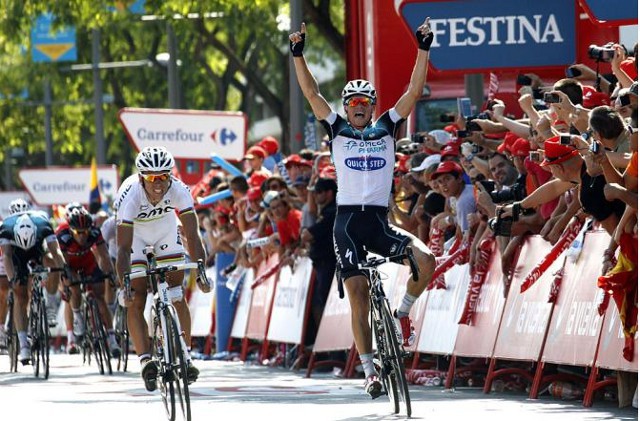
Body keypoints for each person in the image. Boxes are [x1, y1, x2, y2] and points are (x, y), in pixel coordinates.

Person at [289, 18, 436, 399]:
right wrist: (298, 55)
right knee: (357, 293)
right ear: (345, 108)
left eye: (364, 103)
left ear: (372, 107)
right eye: (352, 103)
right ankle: (369, 371)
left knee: (427, 260)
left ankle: (400, 315)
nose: (358, 107)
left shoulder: (386, 126)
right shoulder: (336, 129)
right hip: (348, 222)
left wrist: (423, 49)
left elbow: (414, 91)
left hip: (379, 221)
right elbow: (311, 93)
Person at [115, 146, 210, 391]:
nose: (158, 184)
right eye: (151, 178)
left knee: (177, 295)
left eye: (164, 177)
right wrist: (123, 283)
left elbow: (192, 234)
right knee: (136, 298)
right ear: (140, 178)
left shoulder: (179, 190)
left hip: (165, 229)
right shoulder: (130, 198)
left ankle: (185, 355)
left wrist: (201, 271)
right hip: (135, 236)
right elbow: (123, 249)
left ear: (171, 176)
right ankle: (146, 360)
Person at [0, 207, 67, 364]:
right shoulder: (6, 228)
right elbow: (7, 257)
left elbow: (56, 252)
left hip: (37, 250)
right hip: (16, 255)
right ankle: (24, 345)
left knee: (52, 265)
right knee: (20, 295)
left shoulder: (43, 223)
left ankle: (49, 303)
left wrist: (64, 272)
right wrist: (12, 279)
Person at [56, 206, 120, 357]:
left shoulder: (95, 232)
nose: (83, 236)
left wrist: (110, 274)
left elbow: (104, 256)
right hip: (70, 264)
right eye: (78, 233)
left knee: (99, 296)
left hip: (88, 262)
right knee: (75, 290)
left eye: (85, 232)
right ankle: (77, 317)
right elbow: (62, 264)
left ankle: (111, 339)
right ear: (71, 230)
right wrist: (66, 281)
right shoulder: (62, 235)